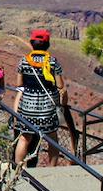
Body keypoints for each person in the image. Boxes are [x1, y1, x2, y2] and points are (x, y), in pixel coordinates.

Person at [13, 29, 66, 166]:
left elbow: (19, 84)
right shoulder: (53, 62)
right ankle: (51, 169)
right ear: (47, 44)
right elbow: (60, 86)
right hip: (47, 107)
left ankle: (20, 169)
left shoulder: (24, 61)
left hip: (28, 106)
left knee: (25, 138)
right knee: (52, 139)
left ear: (32, 43)